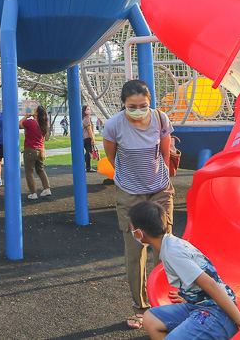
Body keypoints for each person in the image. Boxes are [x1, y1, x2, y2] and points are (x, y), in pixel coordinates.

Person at [129, 201, 240, 340]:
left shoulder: (173, 253)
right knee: (151, 319)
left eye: (132, 226)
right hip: (198, 305)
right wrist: (190, 295)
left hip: (217, 313)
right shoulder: (170, 243)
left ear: (139, 233)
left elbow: (211, 284)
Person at [102, 79, 175, 329]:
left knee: (164, 247)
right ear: (123, 104)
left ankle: (166, 305)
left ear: (149, 102)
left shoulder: (160, 119)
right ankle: (141, 307)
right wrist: (129, 177)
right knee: (135, 250)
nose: (138, 110)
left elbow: (164, 153)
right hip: (129, 193)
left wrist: (160, 178)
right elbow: (112, 156)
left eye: (143, 105)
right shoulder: (114, 125)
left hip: (159, 190)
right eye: (131, 106)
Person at [19, 106, 51, 200]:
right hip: (41, 150)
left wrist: (25, 117)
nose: (33, 111)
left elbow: (19, 125)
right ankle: (46, 188)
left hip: (30, 149)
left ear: (36, 113)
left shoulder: (31, 122)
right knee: (40, 169)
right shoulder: (43, 124)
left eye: (35, 110)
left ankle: (33, 193)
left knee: (29, 172)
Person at [82, 105, 96, 173]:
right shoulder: (86, 119)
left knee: (88, 151)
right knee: (89, 152)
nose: (89, 110)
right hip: (87, 137)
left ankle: (86, 166)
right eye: (87, 109)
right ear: (84, 111)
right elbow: (89, 129)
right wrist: (92, 138)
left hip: (84, 137)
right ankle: (88, 167)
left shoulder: (85, 118)